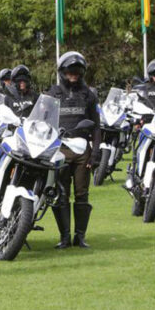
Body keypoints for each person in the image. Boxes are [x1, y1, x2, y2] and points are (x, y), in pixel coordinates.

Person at [47, 52, 101, 249]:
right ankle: (64, 237)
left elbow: (96, 126)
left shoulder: (89, 95)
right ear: (62, 72)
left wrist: (95, 154)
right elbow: (43, 121)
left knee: (82, 194)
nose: (74, 75)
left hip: (82, 151)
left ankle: (80, 237)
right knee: (61, 194)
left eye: (77, 72)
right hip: (60, 149)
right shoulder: (53, 94)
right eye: (70, 72)